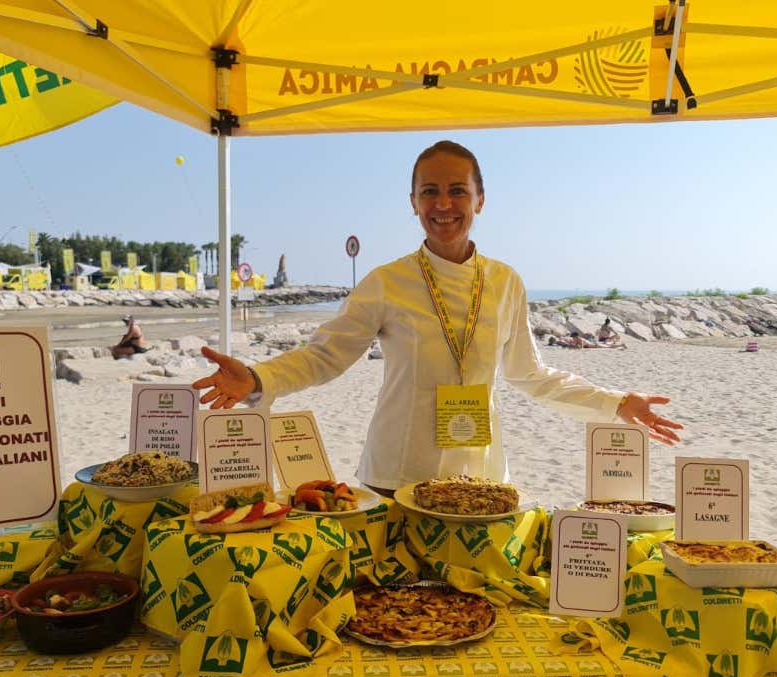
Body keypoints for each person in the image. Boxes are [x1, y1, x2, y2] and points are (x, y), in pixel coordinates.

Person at [192, 140, 682, 495]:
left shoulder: (506, 281)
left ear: (480, 200)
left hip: (481, 479)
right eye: (429, 192)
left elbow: (531, 375)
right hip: (397, 475)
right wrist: (257, 377)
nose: (443, 204)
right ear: (412, 203)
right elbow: (326, 356)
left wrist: (616, 403)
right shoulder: (387, 282)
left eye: (457, 190)